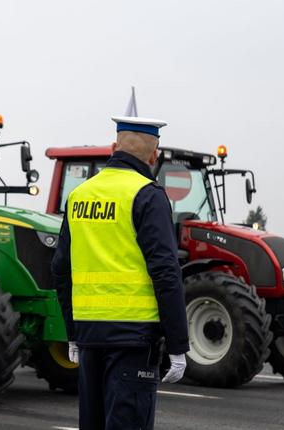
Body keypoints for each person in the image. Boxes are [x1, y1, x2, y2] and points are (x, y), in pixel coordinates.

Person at [51, 116, 189, 430]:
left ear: (114, 147)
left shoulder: (79, 196)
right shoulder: (148, 195)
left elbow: (60, 269)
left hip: (89, 337)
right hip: (133, 339)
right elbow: (166, 272)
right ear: (155, 156)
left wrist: (73, 332)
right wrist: (178, 345)